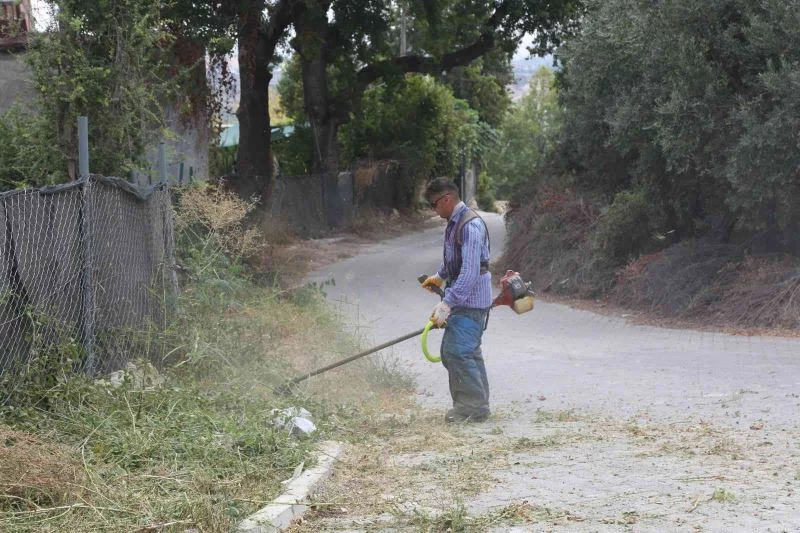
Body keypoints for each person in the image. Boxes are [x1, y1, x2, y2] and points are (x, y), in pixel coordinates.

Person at [421, 178, 492, 423]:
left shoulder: (470, 226)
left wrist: (447, 303)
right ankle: (478, 404)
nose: (433, 210)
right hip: (464, 299)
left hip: (470, 302)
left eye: (433, 205)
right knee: (467, 352)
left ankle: (472, 408)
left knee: (456, 352)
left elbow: (470, 272)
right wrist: (439, 277)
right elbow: (455, 259)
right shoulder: (453, 224)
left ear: (447, 199)